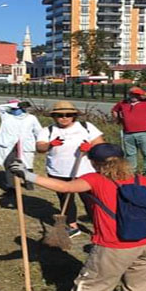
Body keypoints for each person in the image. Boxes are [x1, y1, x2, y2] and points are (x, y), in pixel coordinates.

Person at [10, 143, 146, 291]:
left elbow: (65, 187)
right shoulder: (142, 180)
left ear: (94, 163)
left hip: (117, 244)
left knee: (95, 284)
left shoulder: (95, 180)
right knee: (142, 285)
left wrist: (26, 174)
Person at [36, 101, 104, 238]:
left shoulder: (86, 127)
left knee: (90, 201)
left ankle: (99, 227)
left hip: (85, 172)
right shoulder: (47, 130)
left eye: (68, 114)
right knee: (66, 199)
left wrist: (90, 147)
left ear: (74, 115)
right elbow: (40, 148)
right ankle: (72, 226)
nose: (64, 117)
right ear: (54, 117)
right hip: (58, 171)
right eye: (60, 115)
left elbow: (101, 145)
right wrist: (50, 145)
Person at [111, 87, 146, 177]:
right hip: (128, 133)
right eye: (132, 94)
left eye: (136, 94)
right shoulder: (123, 103)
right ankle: (132, 170)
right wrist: (118, 119)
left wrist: (145, 93)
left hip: (144, 133)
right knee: (130, 154)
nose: (134, 96)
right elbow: (114, 110)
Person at [0, 99, 42, 191]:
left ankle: (29, 185)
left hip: (25, 146)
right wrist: (17, 104)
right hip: (9, 146)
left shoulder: (31, 118)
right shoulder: (6, 116)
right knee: (9, 166)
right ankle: (12, 187)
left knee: (27, 166)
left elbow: (38, 132)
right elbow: (0, 107)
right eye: (14, 107)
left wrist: (39, 143)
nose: (15, 109)